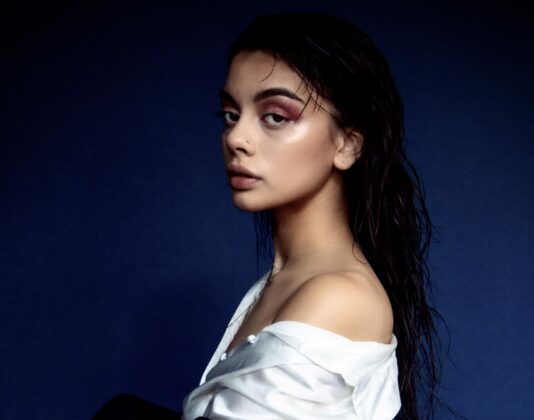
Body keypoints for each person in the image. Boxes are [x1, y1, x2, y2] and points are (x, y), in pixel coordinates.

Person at [181, 12, 449, 420]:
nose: (236, 137)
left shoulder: (338, 296)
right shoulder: (280, 282)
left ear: (347, 143)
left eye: (276, 116)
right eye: (231, 115)